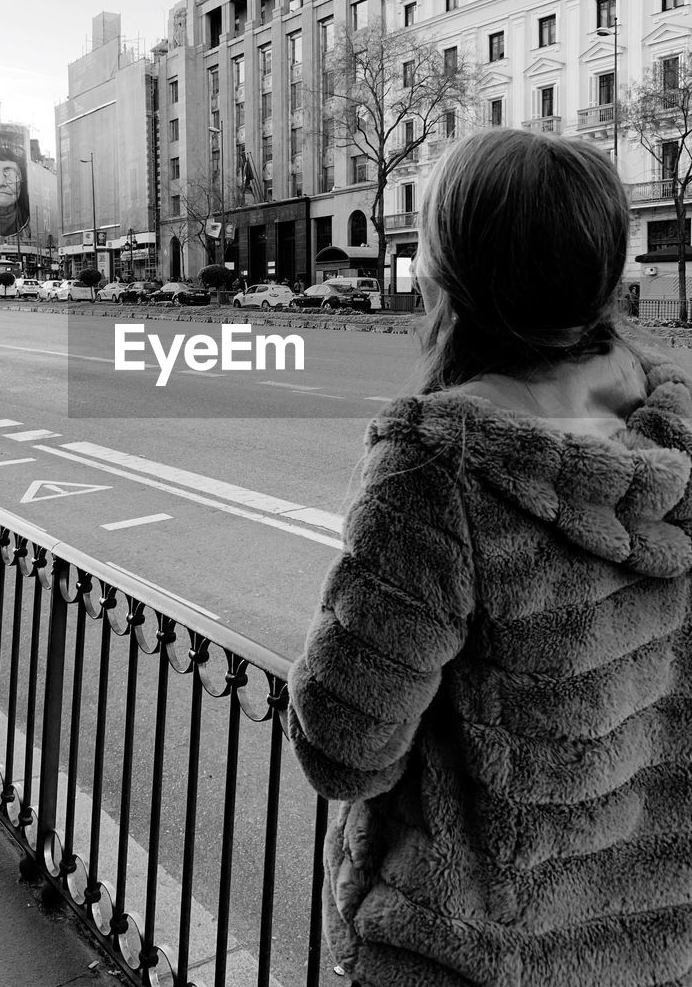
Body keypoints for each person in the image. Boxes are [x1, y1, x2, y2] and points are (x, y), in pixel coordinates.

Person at [288, 127, 692, 986]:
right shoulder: (677, 429)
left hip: (478, 952)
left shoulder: (439, 465)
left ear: (456, 270)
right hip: (660, 939)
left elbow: (346, 744)